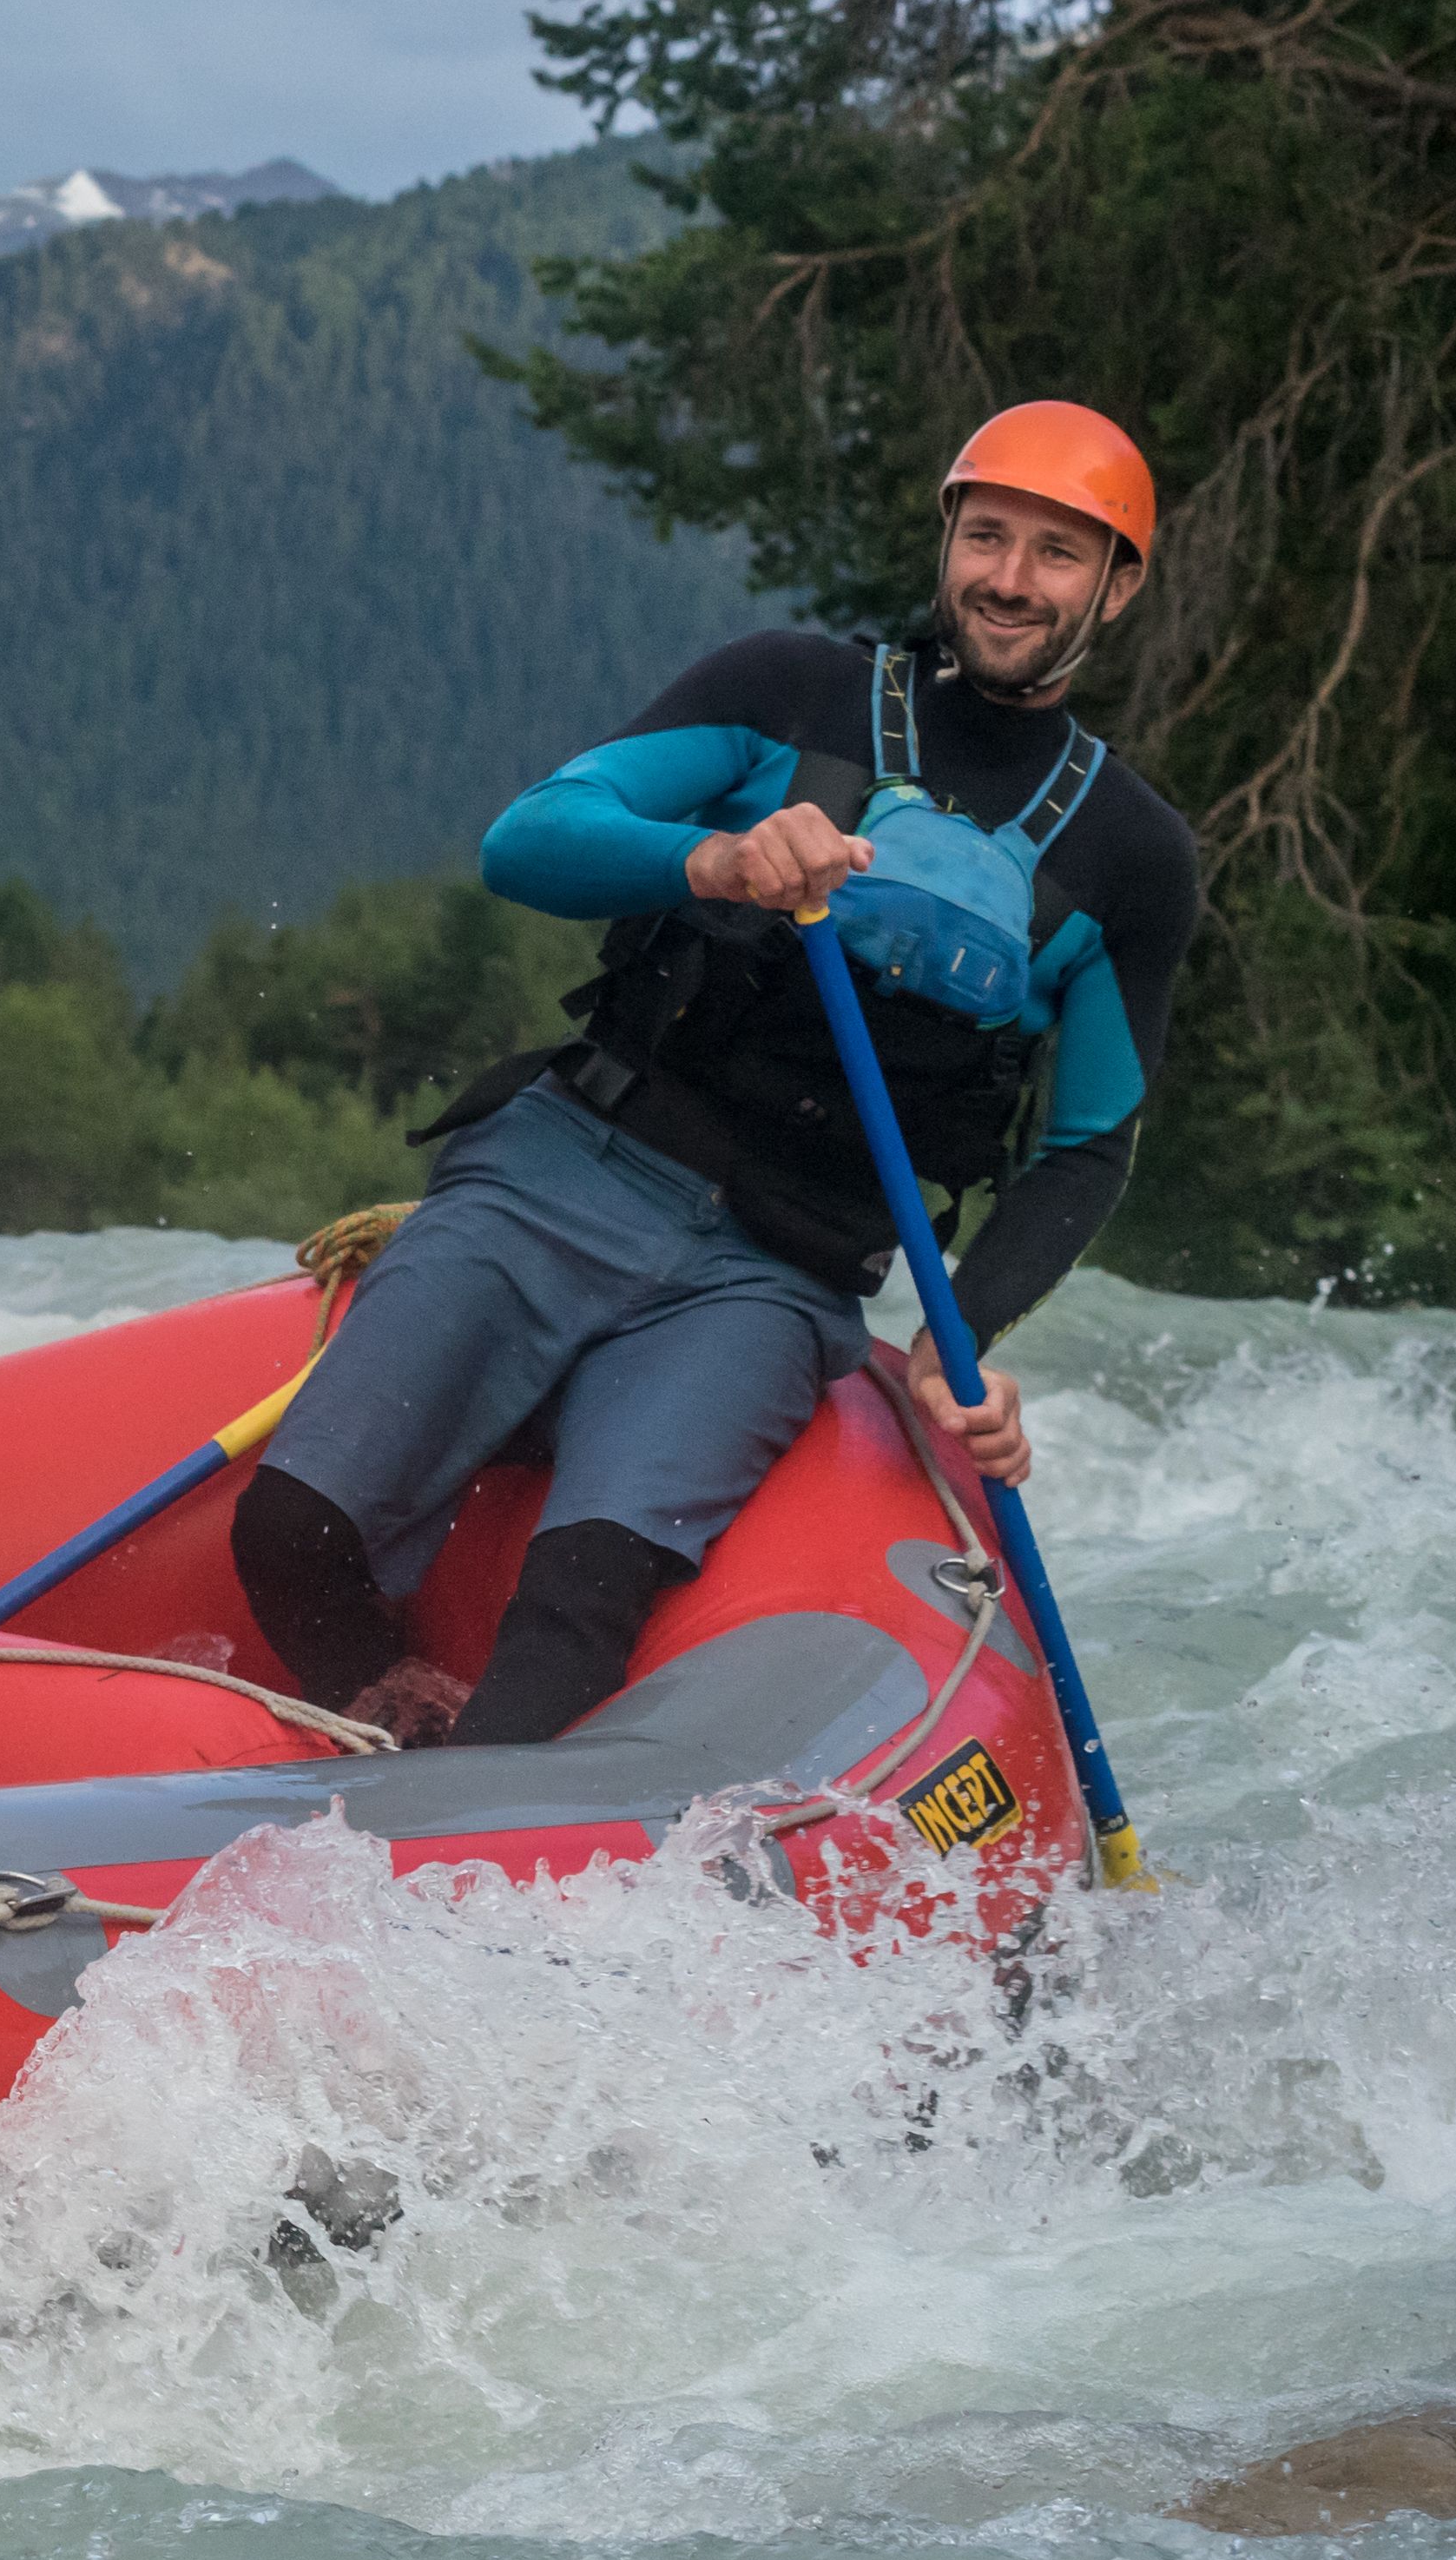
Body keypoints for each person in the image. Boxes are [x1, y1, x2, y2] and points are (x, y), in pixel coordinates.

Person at [233, 402, 1203, 1747]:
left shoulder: (1129, 855)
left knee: (575, 1619)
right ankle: (377, 1736)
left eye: (1055, 553)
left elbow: (1090, 1142)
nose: (1008, 580)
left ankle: (453, 1843)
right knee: (289, 1530)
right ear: (948, 541)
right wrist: (713, 860)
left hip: (775, 1274)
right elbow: (530, 839)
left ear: (1119, 583)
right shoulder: (788, 689)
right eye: (986, 536)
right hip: (568, 1165)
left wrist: (955, 1341)